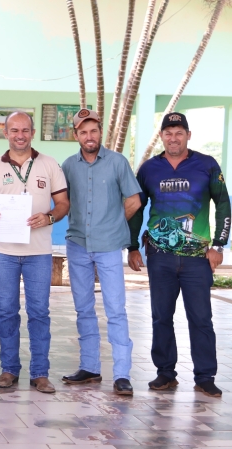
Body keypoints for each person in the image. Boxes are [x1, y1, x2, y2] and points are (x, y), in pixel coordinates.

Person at [127, 112, 231, 397]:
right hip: (159, 256)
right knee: (161, 317)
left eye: (179, 133)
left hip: (198, 257)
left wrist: (219, 245)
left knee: (201, 318)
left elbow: (222, 203)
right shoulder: (149, 169)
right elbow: (136, 208)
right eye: (168, 133)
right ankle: (165, 373)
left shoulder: (207, 165)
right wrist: (132, 246)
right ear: (162, 136)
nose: (173, 138)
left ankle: (205, 376)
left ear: (188, 135)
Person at [0, 111, 69, 393]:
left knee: (39, 311)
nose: (20, 135)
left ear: (33, 133)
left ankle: (40, 373)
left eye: (25, 130)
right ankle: (9, 369)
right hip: (2, 251)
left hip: (38, 252)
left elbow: (63, 203)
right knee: (6, 311)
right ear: (6, 133)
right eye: (14, 130)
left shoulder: (49, 164)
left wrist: (49, 217)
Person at [60, 109, 142, 396]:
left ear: (100, 132)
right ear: (76, 135)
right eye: (83, 132)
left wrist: (114, 224)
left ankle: (122, 374)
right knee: (83, 308)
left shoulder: (118, 162)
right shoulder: (68, 166)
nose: (89, 136)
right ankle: (90, 367)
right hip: (78, 245)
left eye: (93, 130)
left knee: (116, 309)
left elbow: (134, 201)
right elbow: (62, 201)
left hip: (108, 247)